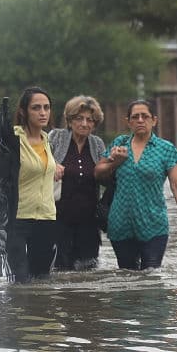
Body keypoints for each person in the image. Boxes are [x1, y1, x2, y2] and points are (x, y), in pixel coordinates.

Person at [94, 99, 177, 270]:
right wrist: (114, 161)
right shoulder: (119, 144)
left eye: (145, 116)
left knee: (151, 275)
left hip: (153, 223)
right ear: (128, 122)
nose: (140, 120)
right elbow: (97, 172)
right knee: (127, 275)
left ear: (154, 120)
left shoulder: (166, 149)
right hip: (121, 222)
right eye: (135, 117)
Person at [3, 86, 59, 283]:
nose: (43, 112)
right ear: (23, 111)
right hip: (17, 218)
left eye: (46, 107)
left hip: (46, 218)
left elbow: (42, 170)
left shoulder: (48, 140)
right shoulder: (12, 139)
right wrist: (1, 154)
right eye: (36, 108)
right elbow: (1, 172)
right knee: (19, 282)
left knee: (42, 282)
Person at [49, 96, 106, 270]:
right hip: (58, 220)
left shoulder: (97, 144)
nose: (84, 124)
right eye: (79, 118)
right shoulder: (56, 137)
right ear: (70, 120)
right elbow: (39, 159)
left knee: (88, 273)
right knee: (59, 272)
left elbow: (104, 177)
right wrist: (52, 165)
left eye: (90, 120)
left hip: (89, 222)